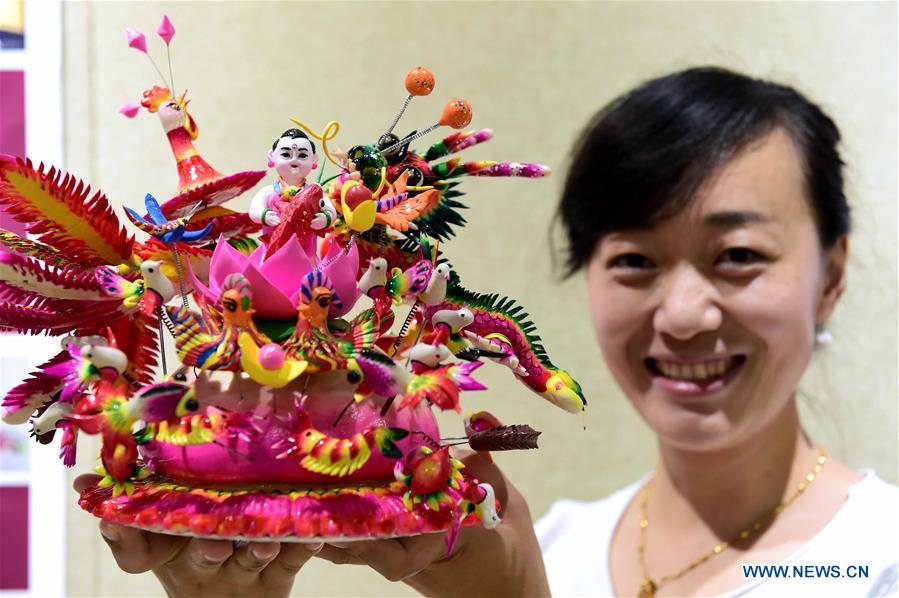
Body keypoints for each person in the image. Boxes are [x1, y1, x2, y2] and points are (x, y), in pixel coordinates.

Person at [77, 67, 898, 597]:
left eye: (738, 255)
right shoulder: (554, 539)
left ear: (828, 275)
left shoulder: (877, 559)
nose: (682, 314)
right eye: (635, 261)